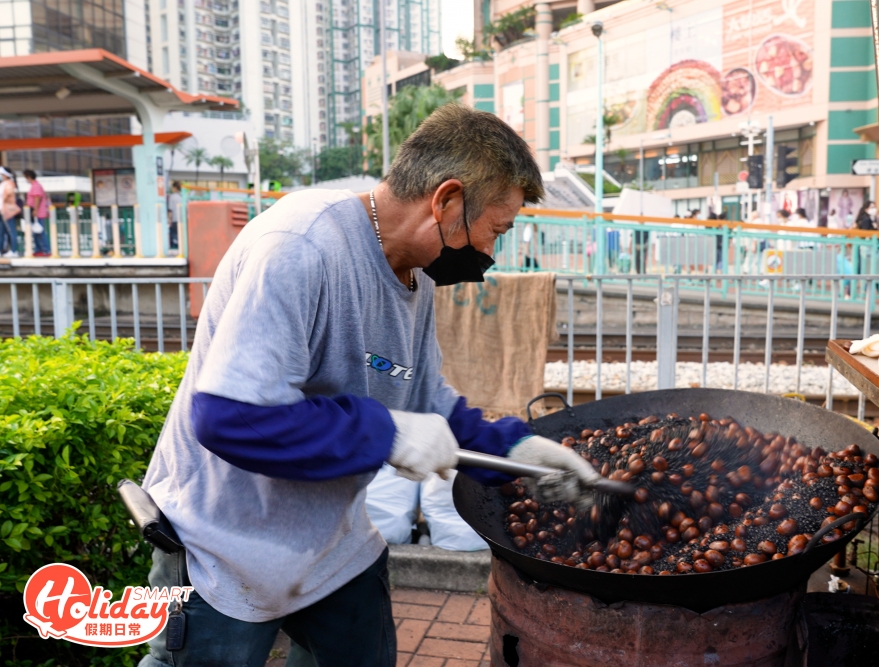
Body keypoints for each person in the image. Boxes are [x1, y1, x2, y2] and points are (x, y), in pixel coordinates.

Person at [138, 105, 599, 667]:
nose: (492, 252)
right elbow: (229, 417)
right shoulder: (301, 245)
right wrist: (383, 431)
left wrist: (513, 450)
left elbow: (423, 397)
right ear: (447, 201)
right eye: (495, 230)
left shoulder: (416, 275)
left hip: (332, 541)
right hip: (225, 543)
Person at [23, 170, 51, 257]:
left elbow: (37, 198)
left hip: (38, 213)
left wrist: (35, 210)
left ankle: (46, 250)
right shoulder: (34, 185)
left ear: (29, 177)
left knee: (40, 231)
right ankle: (39, 249)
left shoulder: (36, 186)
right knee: (35, 232)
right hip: (35, 212)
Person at [0, 167, 21, 258]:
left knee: (11, 231)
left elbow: (8, 193)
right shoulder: (3, 184)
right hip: (2, 211)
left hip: (7, 211)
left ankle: (14, 250)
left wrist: (3, 197)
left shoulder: (10, 183)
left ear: (5, 175)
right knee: (1, 232)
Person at [167, 181, 182, 251]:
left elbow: (170, 209)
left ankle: (175, 248)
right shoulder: (183, 196)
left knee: (174, 235)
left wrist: (169, 220)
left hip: (175, 219)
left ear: (175, 188)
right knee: (181, 234)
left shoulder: (172, 197)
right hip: (182, 219)